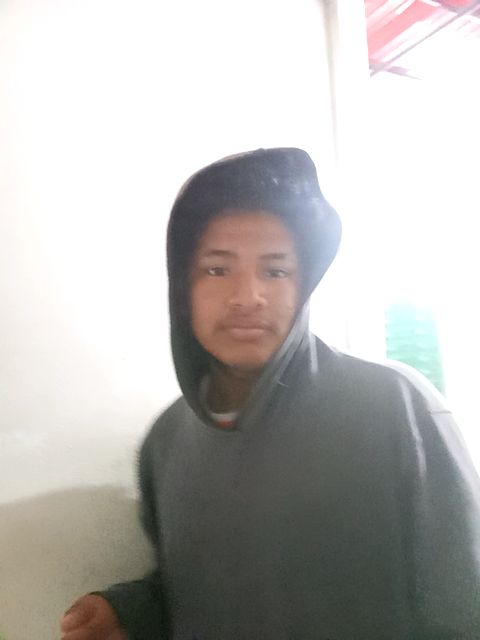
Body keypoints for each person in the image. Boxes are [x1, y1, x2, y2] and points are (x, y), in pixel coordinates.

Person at [60, 148, 480, 640]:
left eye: (275, 271)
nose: (247, 297)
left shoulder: (395, 409)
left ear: (303, 286)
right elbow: (197, 587)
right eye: (217, 270)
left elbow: (464, 599)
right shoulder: (167, 441)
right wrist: (130, 611)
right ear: (182, 288)